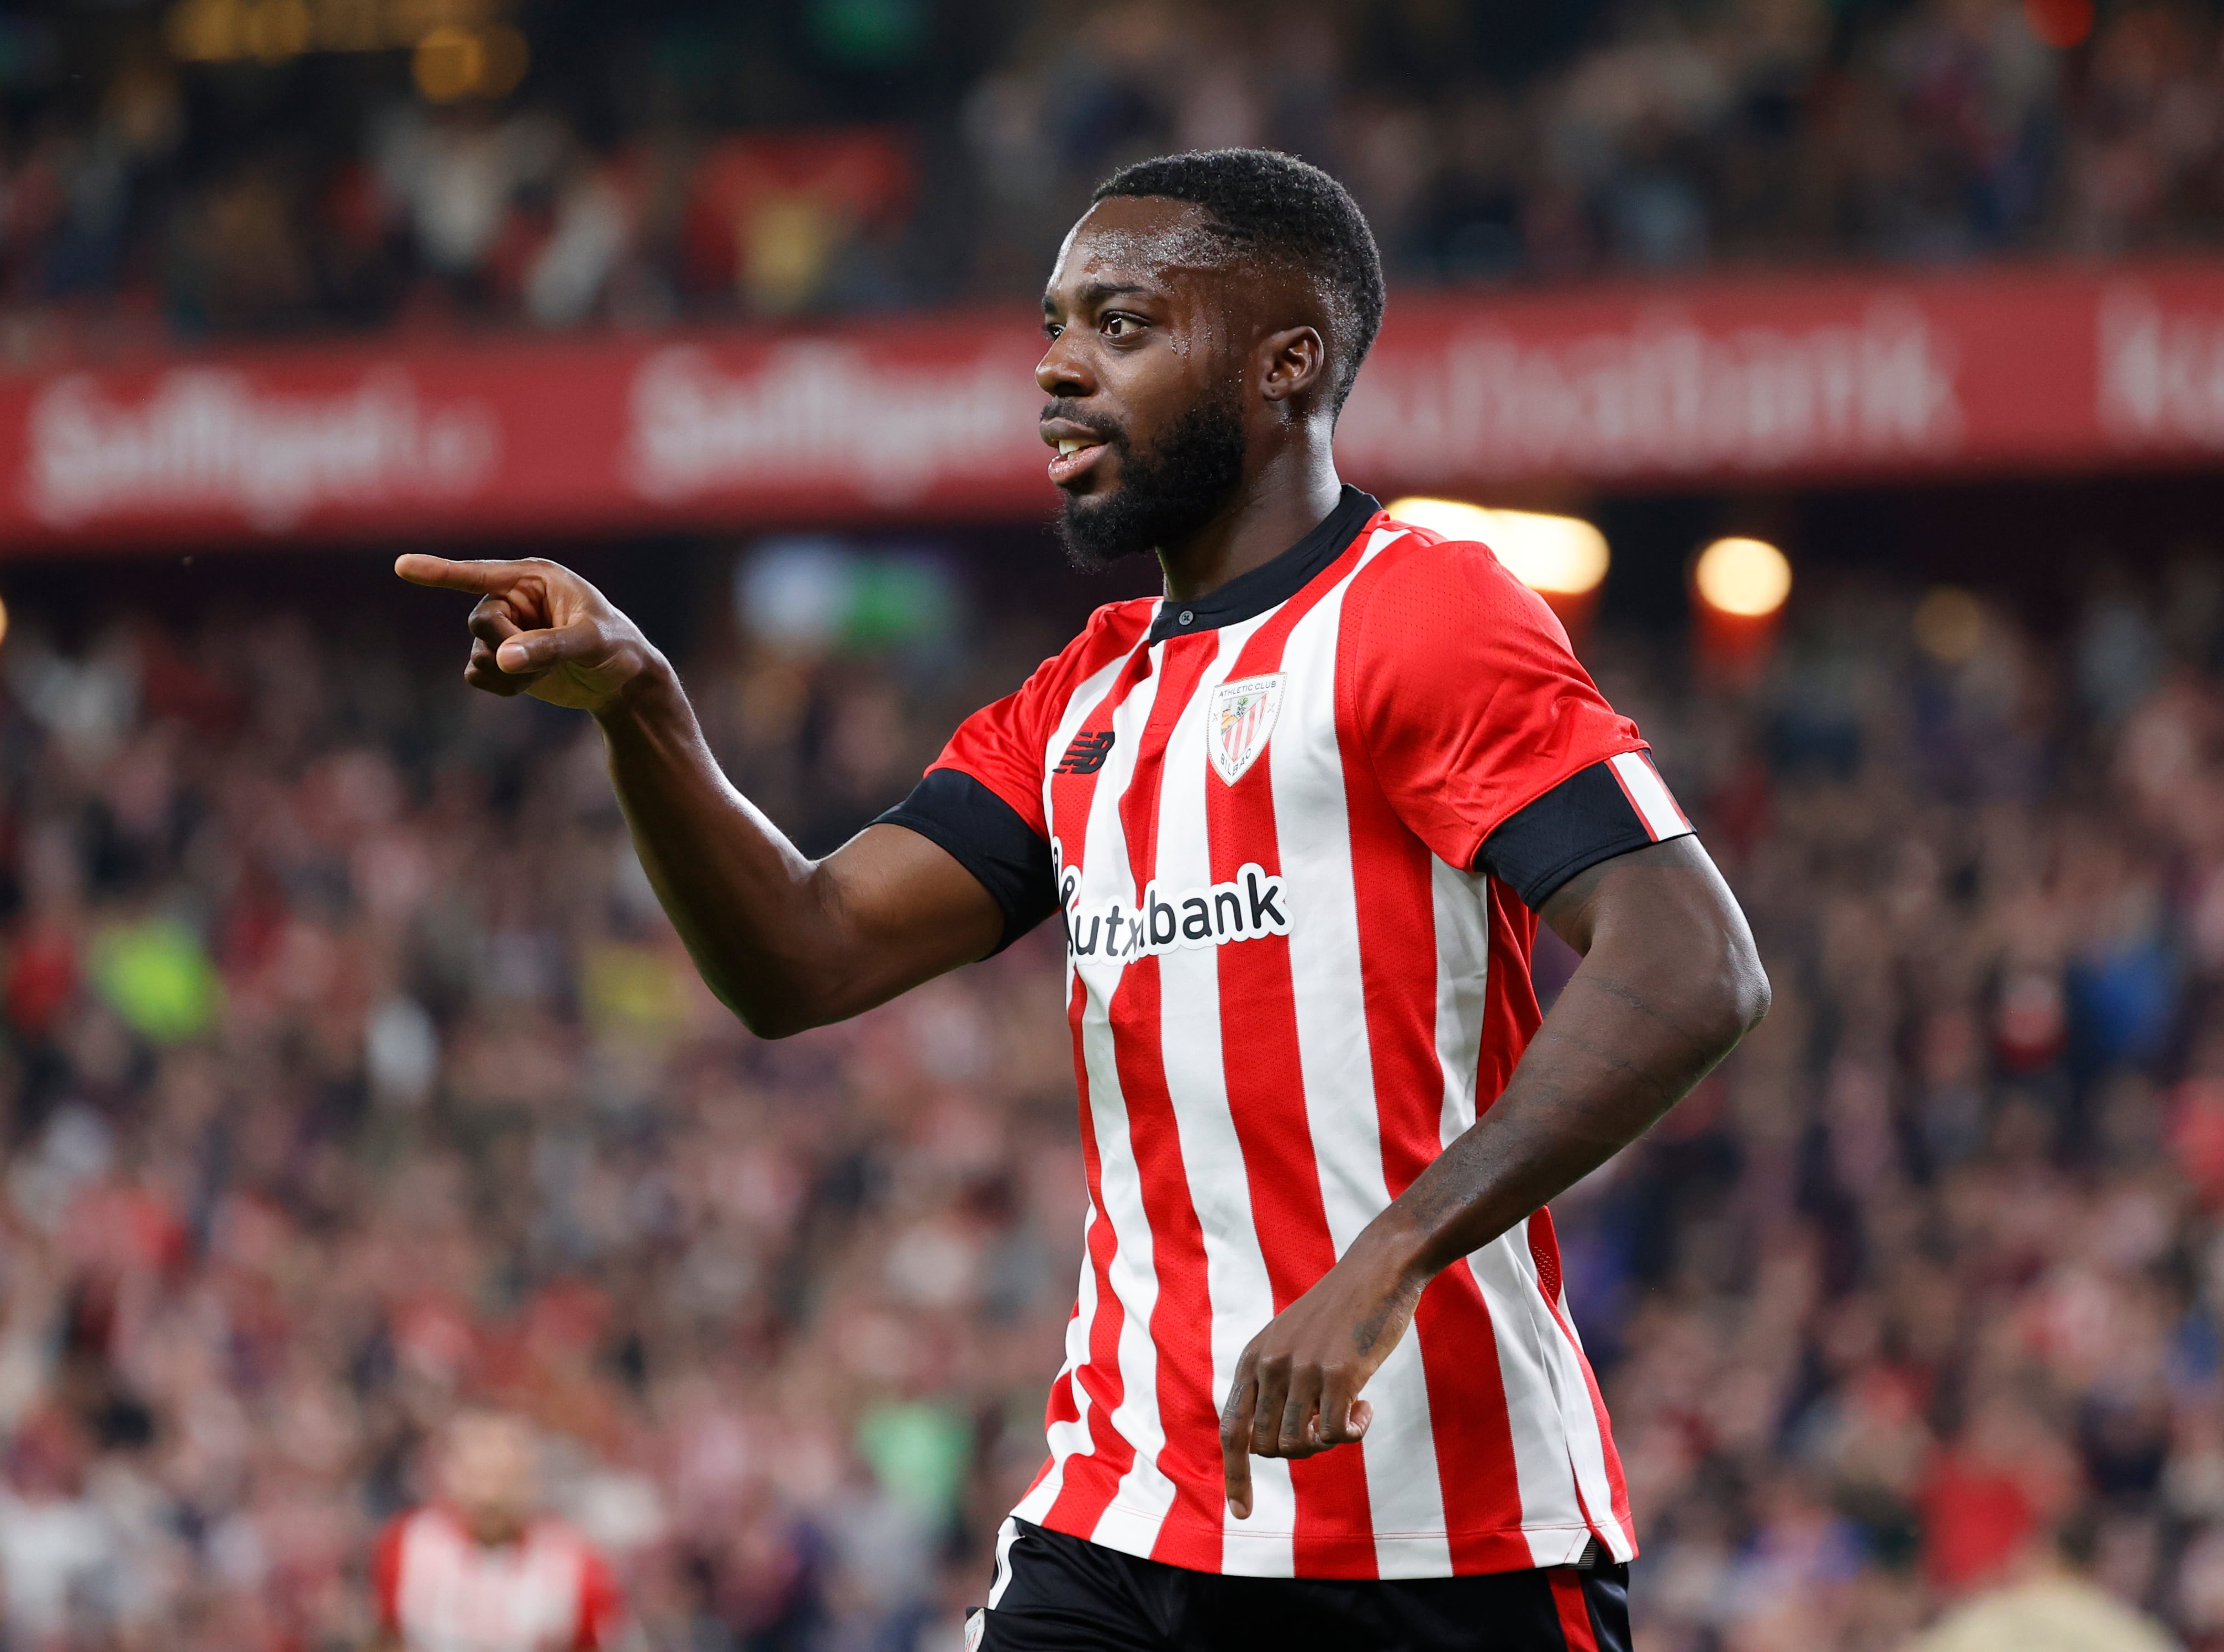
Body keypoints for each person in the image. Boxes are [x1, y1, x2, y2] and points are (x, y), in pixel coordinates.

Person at [398, 147, 1768, 1652]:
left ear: (1285, 364)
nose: (1057, 370)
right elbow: (800, 957)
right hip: (1122, 1521)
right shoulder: (1082, 700)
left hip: (1443, 1540)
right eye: (1052, 327)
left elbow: (1692, 960)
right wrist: (643, 707)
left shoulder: (1420, 611)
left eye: (1118, 326)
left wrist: (1384, 1257)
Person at [373, 1409, 631, 1652]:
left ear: (531, 1479)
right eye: (479, 1473)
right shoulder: (408, 1545)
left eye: (505, 1475)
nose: (491, 1494)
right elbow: (388, 1637)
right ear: (451, 1474)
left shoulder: (573, 1563)